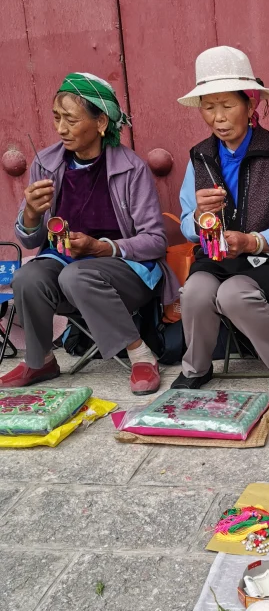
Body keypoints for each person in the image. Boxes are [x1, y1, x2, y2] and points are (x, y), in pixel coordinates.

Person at [3, 73, 176, 394]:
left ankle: (140, 354)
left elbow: (155, 242)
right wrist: (30, 214)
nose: (60, 129)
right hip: (66, 268)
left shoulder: (131, 168)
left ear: (101, 123)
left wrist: (99, 247)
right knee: (26, 277)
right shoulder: (46, 164)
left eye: (70, 119)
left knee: (76, 275)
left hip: (126, 274)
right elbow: (29, 241)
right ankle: (39, 361)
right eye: (57, 118)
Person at [173, 46, 269, 400]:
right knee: (196, 291)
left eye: (227, 105)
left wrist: (251, 241)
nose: (218, 117)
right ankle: (197, 368)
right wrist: (200, 219)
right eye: (208, 106)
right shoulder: (199, 156)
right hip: (218, 258)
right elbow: (188, 223)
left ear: (251, 106)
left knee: (234, 293)